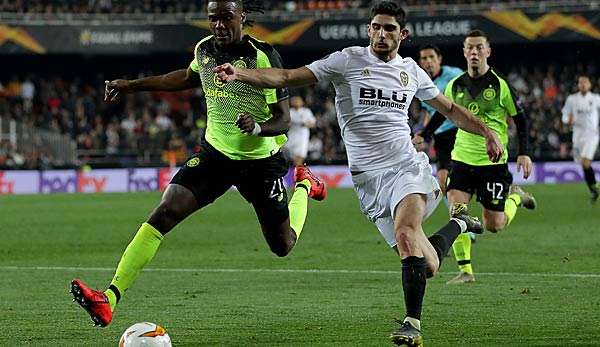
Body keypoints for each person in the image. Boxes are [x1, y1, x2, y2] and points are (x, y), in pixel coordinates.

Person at [214, 2, 504, 346]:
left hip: (406, 168)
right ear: (369, 29)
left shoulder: (411, 71)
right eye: (376, 27)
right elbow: (289, 76)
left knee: (406, 230)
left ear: (403, 34)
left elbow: (451, 110)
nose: (382, 34)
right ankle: (458, 225)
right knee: (426, 265)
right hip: (368, 181)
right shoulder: (347, 60)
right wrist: (241, 74)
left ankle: (412, 324)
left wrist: (487, 131)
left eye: (390, 29)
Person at [70, 0, 326, 328]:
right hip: (215, 156)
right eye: (213, 18)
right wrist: (132, 86)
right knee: (164, 212)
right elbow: (185, 77)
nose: (218, 25)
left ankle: (305, 183)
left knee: (283, 245)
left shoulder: (263, 56)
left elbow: (283, 120)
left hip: (261, 162)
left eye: (226, 18)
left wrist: (258, 127)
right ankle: (110, 297)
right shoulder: (204, 49)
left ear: (242, 17)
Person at [414, 30, 537, 285]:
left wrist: (524, 152)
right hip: (461, 160)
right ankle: (466, 271)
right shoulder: (455, 84)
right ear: (464, 52)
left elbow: (521, 120)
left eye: (479, 48)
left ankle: (516, 197)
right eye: (470, 48)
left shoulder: (500, 85)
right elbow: (442, 113)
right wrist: (424, 134)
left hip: (492, 164)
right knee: (457, 215)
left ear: (488, 52)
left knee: (495, 225)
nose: (474, 52)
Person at [414, 45, 462, 197]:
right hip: (440, 135)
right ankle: (457, 214)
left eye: (431, 57)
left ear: (439, 59)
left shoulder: (454, 75)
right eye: (424, 58)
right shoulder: (421, 82)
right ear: (420, 62)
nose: (428, 61)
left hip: (459, 130)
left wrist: (425, 133)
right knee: (442, 182)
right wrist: (423, 135)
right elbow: (429, 112)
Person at [561, 75, 600, 203]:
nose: (583, 85)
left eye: (585, 82)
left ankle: (594, 187)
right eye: (580, 83)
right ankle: (593, 189)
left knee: (585, 162)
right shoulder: (572, 99)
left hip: (592, 135)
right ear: (578, 85)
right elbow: (564, 115)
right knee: (583, 164)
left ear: (589, 84)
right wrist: (568, 120)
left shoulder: (596, 99)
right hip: (577, 136)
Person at [284, 96, 316, 166]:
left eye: (297, 100)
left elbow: (313, 124)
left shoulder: (306, 111)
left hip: (302, 138)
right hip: (291, 137)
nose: (296, 102)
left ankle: (298, 175)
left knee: (299, 159)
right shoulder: (290, 112)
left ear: (302, 102)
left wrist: (305, 124)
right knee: (290, 158)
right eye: (294, 100)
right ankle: (293, 174)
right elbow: (285, 123)